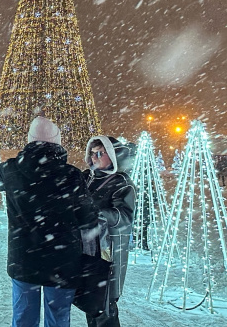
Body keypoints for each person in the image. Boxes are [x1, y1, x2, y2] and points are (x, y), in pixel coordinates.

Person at [0, 116, 99, 327]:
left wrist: (16, 164)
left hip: (24, 259)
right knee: (58, 318)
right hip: (63, 261)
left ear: (30, 141)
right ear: (57, 143)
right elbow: (88, 218)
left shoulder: (11, 170)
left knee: (23, 317)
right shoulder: (72, 175)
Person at [83, 136, 136, 327]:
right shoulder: (86, 178)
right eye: (92, 153)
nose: (94, 157)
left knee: (105, 305)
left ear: (113, 156)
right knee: (91, 302)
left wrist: (98, 214)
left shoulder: (122, 183)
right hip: (87, 250)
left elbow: (124, 217)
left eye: (100, 153)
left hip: (108, 253)